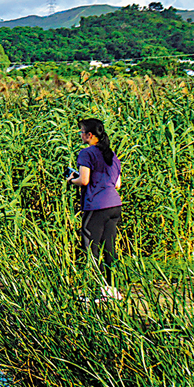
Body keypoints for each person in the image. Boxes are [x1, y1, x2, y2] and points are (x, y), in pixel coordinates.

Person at [68, 117, 124, 300]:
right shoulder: (112, 155)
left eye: (81, 131)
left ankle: (98, 290)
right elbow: (117, 184)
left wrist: (71, 180)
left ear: (89, 135)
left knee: (90, 247)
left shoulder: (86, 154)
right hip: (114, 205)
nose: (80, 135)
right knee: (109, 248)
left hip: (96, 206)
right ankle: (112, 289)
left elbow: (84, 180)